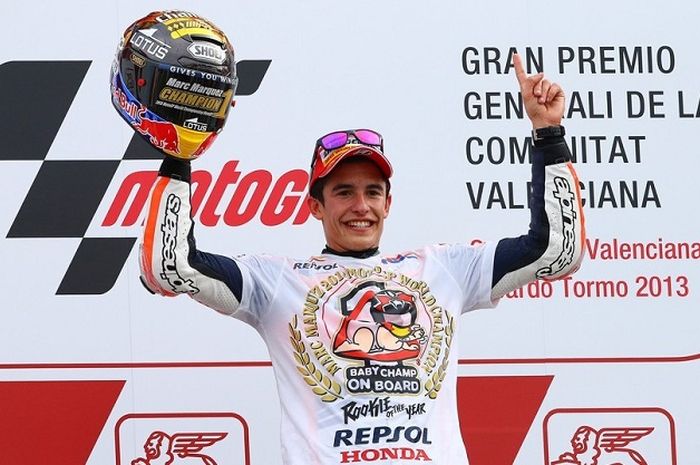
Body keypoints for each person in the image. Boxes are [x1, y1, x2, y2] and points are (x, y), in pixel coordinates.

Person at [112, 10, 585, 465]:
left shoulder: (445, 268)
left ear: (388, 203)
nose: (361, 206)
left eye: (372, 191)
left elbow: (557, 252)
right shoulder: (276, 282)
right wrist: (179, 155)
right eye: (343, 192)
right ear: (314, 206)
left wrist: (548, 133)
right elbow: (167, 266)